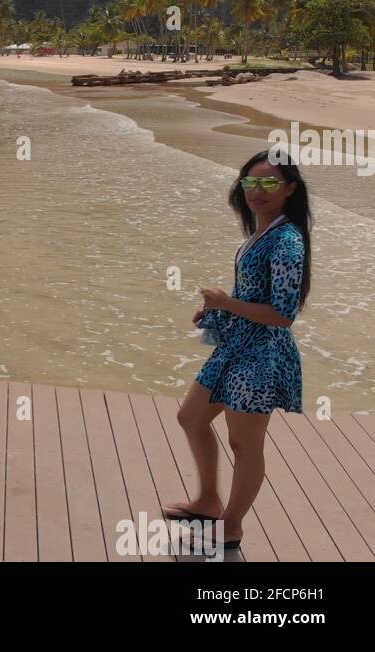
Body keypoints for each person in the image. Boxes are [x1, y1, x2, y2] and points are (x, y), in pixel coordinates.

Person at [163, 149, 312, 551]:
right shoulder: (264, 230)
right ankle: (208, 501)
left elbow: (282, 315)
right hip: (236, 345)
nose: (257, 191)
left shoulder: (287, 242)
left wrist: (226, 303)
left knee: (245, 445)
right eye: (250, 182)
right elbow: (255, 294)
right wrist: (217, 309)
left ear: (290, 188)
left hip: (262, 355)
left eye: (269, 183)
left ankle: (231, 525)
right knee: (190, 417)